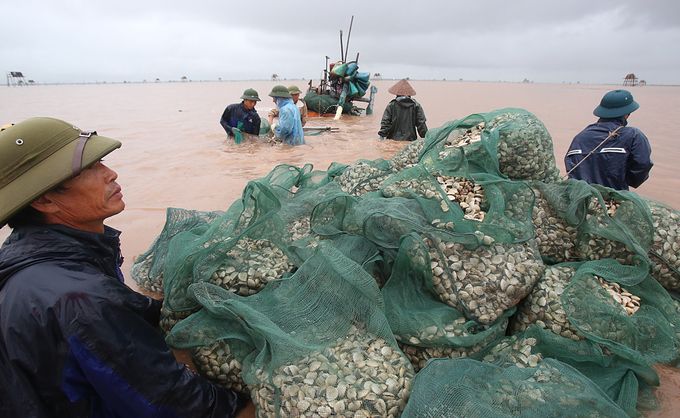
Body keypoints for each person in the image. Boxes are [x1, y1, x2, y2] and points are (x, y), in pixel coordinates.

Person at [0, 117, 253, 417]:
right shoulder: (81, 300)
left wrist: (179, 308)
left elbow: (122, 312)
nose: (111, 173)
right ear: (44, 200)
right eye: (89, 168)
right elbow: (173, 404)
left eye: (102, 161)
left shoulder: (34, 258)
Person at [564, 89, 653, 190]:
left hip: (580, 196)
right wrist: (627, 180)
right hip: (614, 197)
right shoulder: (633, 135)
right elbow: (642, 166)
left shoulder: (580, 137)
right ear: (627, 114)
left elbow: (571, 168)